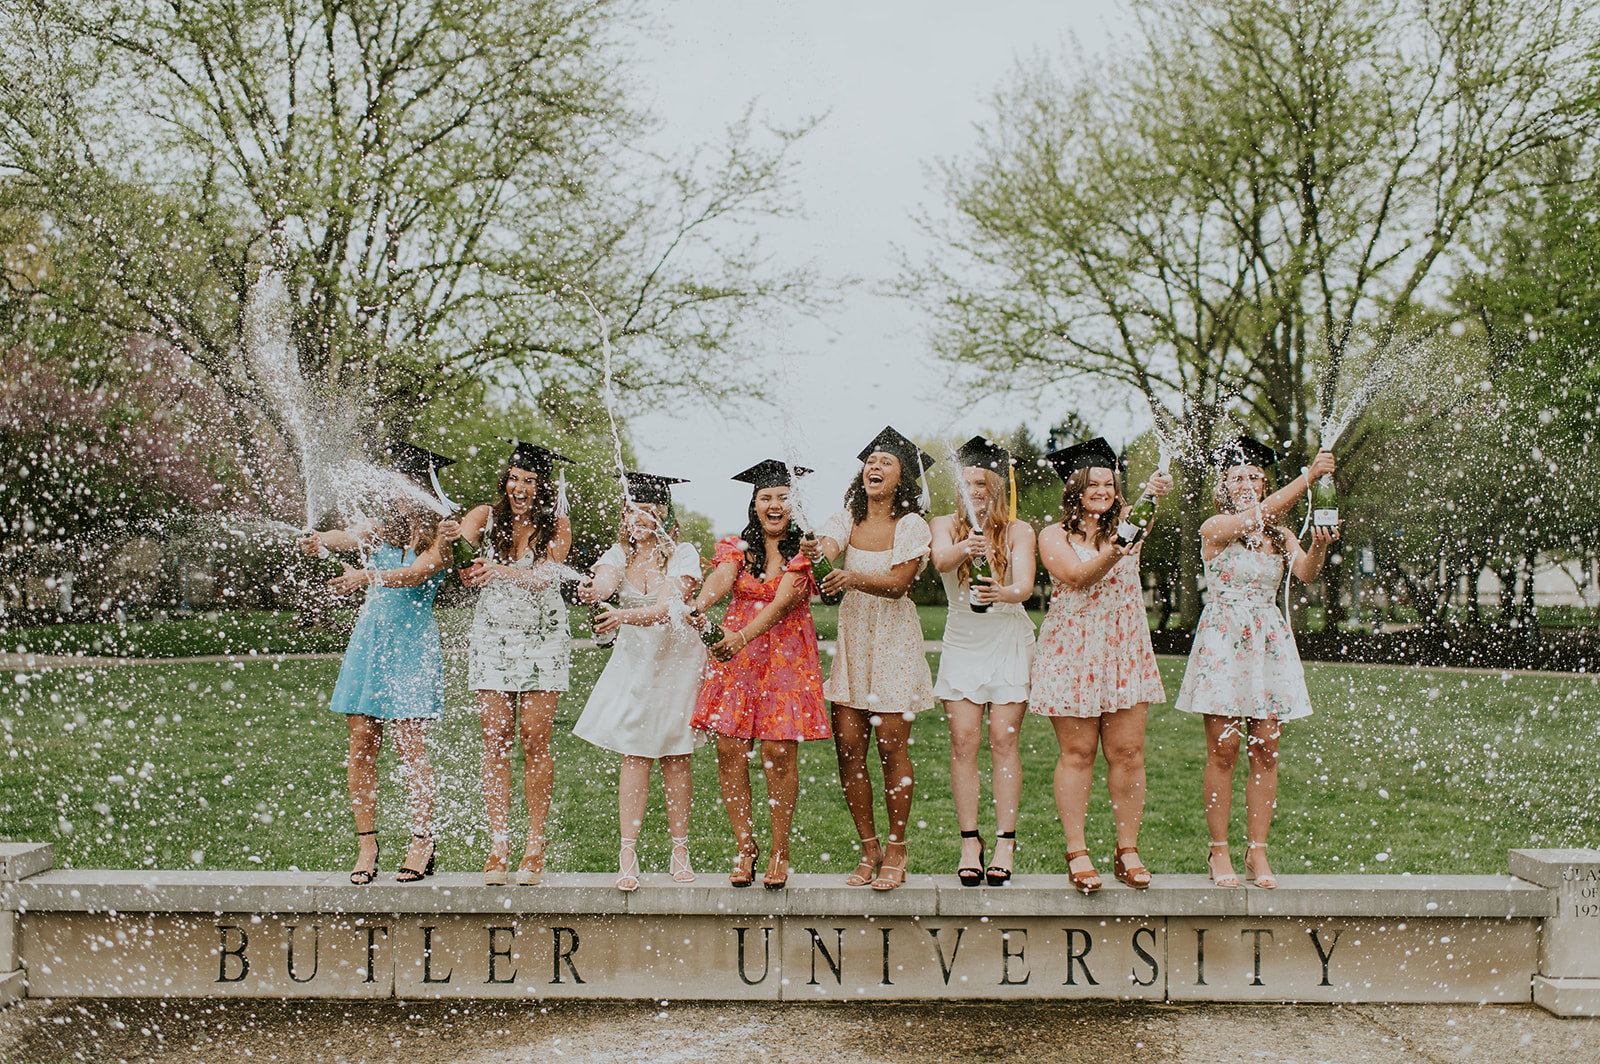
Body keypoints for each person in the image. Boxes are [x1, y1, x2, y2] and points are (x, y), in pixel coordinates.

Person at [1173, 435, 1338, 889]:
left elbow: (1306, 572)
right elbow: (1254, 516)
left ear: (1264, 481)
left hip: (1267, 644)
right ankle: (1219, 851)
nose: (1246, 482)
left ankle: (1257, 853)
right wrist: (1308, 478)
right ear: (1223, 487)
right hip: (1224, 643)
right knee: (1223, 750)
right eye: (1237, 477)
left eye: (1253, 476)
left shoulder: (1279, 535)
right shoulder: (1216, 526)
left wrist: (1320, 544)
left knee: (1266, 748)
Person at [302, 442, 454, 885]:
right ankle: (367, 843)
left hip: (410, 646)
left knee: (410, 748)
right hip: (369, 643)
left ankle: (422, 841)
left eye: (405, 483)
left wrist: (363, 577)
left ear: (422, 487)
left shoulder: (441, 535)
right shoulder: (380, 527)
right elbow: (345, 536)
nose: (396, 491)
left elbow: (419, 572)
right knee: (361, 744)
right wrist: (319, 541)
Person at [1032, 437, 1172, 894]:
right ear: (1075, 488)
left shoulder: (1132, 523)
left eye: (1108, 483)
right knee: (1078, 754)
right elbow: (1077, 577)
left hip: (1123, 647)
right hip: (1072, 650)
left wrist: (1155, 490)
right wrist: (1119, 546)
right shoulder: (1053, 535)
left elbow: (1147, 506)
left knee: (1128, 754)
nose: (1101, 490)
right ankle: (1077, 850)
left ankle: (1127, 849)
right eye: (1092, 483)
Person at [690, 459, 830, 889]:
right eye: (766, 497)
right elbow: (722, 577)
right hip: (740, 667)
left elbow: (784, 603)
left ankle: (779, 850)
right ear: (754, 503)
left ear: (795, 505)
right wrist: (699, 606)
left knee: (778, 755)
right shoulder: (737, 547)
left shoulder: (808, 550)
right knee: (731, 752)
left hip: (784, 660)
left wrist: (739, 637)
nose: (774, 505)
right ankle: (745, 846)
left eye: (782, 498)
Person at [808, 426, 935, 891]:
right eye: (870, 461)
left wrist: (850, 577)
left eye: (886, 461)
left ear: (902, 477)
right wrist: (814, 553)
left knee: (890, 749)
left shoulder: (912, 525)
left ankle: (898, 849)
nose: (874, 466)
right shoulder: (847, 517)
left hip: (895, 642)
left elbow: (900, 584)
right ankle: (869, 847)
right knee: (848, 750)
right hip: (855, 641)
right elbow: (827, 550)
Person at [573, 472, 707, 891]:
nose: (641, 518)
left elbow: (669, 608)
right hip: (636, 665)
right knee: (635, 754)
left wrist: (622, 616)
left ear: (663, 515)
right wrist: (591, 591)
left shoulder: (683, 555)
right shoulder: (616, 553)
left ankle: (679, 848)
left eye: (650, 511)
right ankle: (627, 852)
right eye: (633, 511)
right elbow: (606, 583)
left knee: (676, 756)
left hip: (677, 663)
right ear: (625, 516)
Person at [453, 439, 573, 886]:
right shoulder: (484, 517)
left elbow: (545, 578)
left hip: (543, 639)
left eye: (528, 481)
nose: (518, 487)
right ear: (504, 480)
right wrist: (452, 545)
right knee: (496, 739)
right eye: (514, 478)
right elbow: (459, 555)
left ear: (541, 488)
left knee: (534, 740)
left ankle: (535, 844)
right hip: (492, 639)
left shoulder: (557, 527)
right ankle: (499, 843)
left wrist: (497, 571)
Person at [929, 436, 1037, 886]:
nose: (974, 489)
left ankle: (1006, 841)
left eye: (983, 482)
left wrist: (1003, 592)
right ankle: (969, 841)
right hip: (962, 642)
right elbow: (939, 561)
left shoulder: (1019, 531)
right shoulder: (943, 525)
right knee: (963, 742)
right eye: (968, 482)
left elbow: (1026, 587)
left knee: (1003, 741)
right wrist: (965, 548)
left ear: (997, 487)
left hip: (1008, 638)